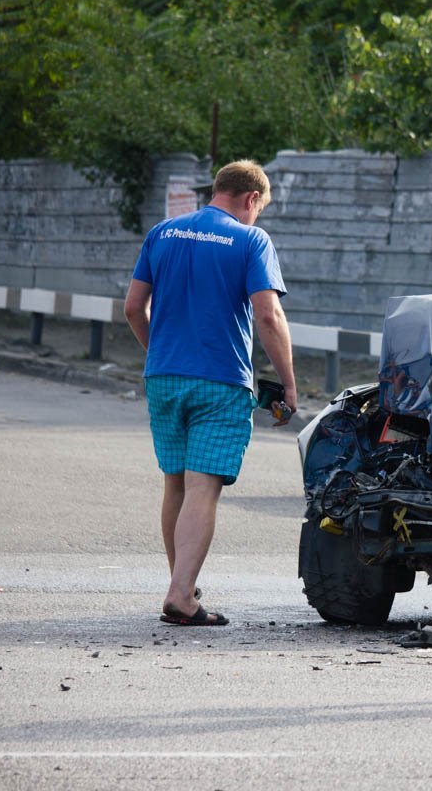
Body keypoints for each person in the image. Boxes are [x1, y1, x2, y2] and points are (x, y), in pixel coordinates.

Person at [125, 159, 297, 627]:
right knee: (203, 486)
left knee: (175, 482)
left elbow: (133, 308)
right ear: (251, 199)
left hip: (162, 376)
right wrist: (289, 381)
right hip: (220, 381)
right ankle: (181, 593)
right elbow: (268, 316)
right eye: (258, 209)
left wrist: (159, 353)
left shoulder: (163, 232)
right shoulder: (250, 239)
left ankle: (179, 582)